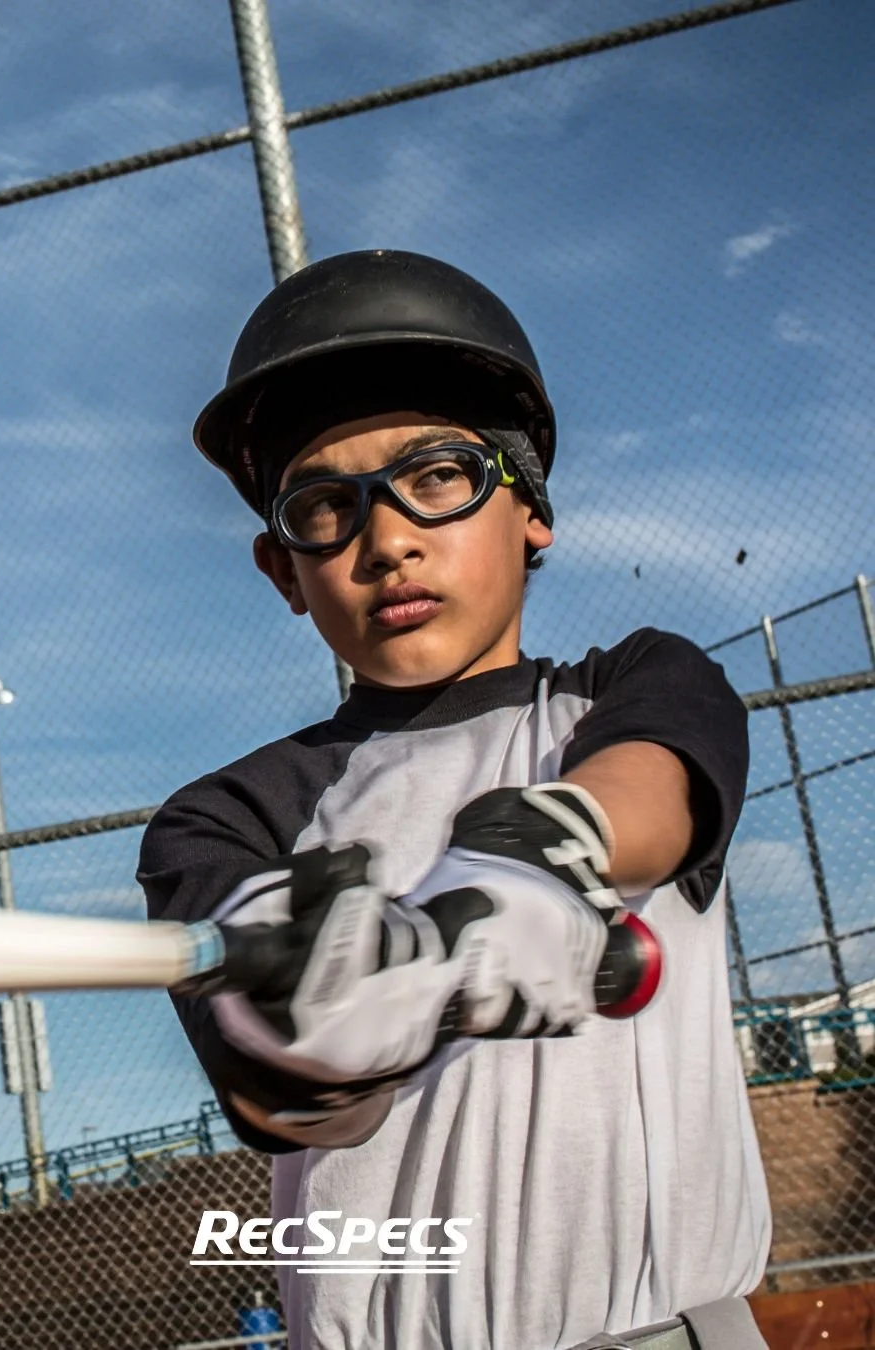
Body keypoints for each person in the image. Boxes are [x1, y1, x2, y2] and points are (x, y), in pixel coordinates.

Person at [137, 250, 771, 1350]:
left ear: (529, 507)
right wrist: (320, 1026)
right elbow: (285, 1088)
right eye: (325, 508)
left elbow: (653, 789)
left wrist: (542, 854)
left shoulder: (628, 688)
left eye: (439, 476)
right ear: (283, 571)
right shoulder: (228, 815)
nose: (387, 540)